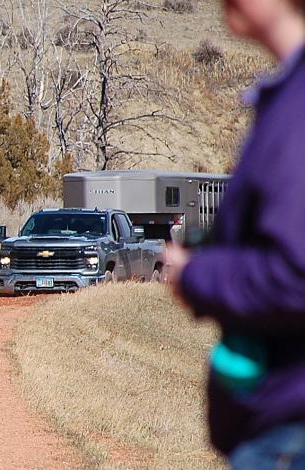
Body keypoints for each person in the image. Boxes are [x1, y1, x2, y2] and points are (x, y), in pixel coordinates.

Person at [163, 0, 305, 464]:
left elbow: (294, 273)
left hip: (289, 429)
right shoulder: (287, 93)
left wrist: (198, 274)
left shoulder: (299, 103)